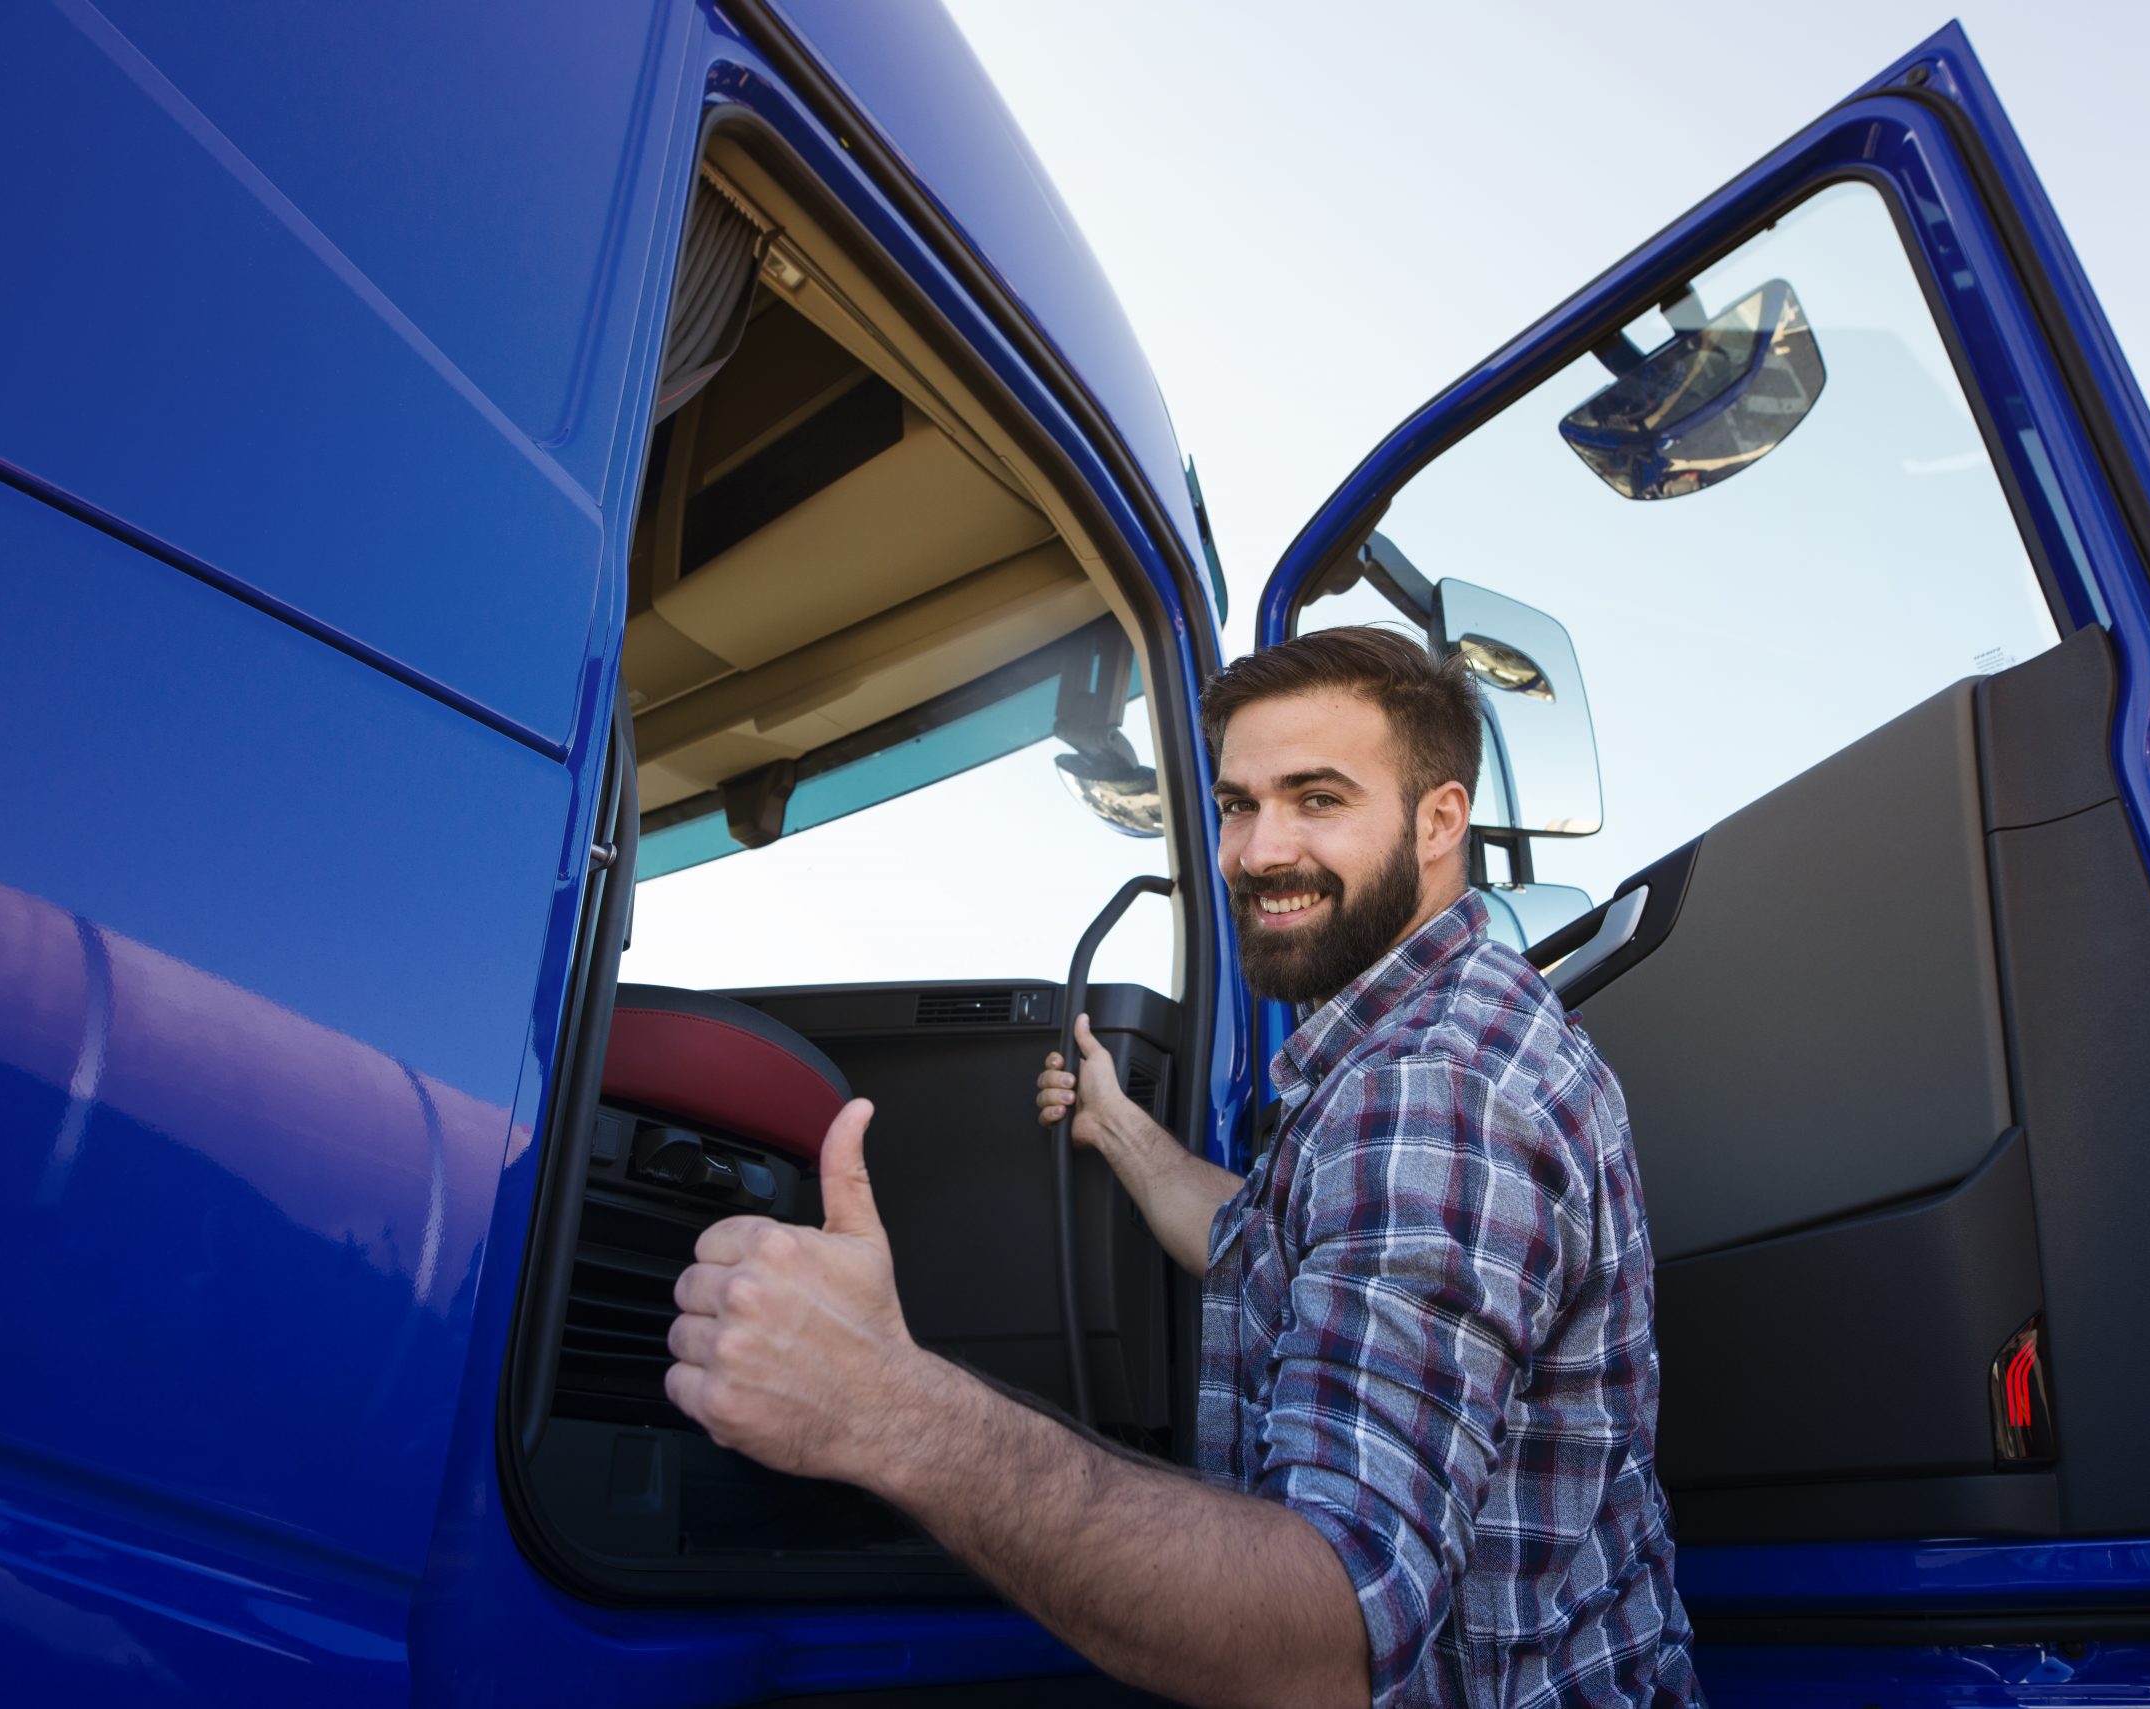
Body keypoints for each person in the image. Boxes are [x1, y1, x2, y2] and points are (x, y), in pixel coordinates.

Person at [663, 628, 1700, 1708]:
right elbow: (1260, 1241)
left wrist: (888, 1406)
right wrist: (1116, 1125)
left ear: (1439, 820)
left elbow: (1325, 1633)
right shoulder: (1417, 1039)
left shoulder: (1431, 1089)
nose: (1255, 850)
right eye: (1237, 804)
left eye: (1317, 797)